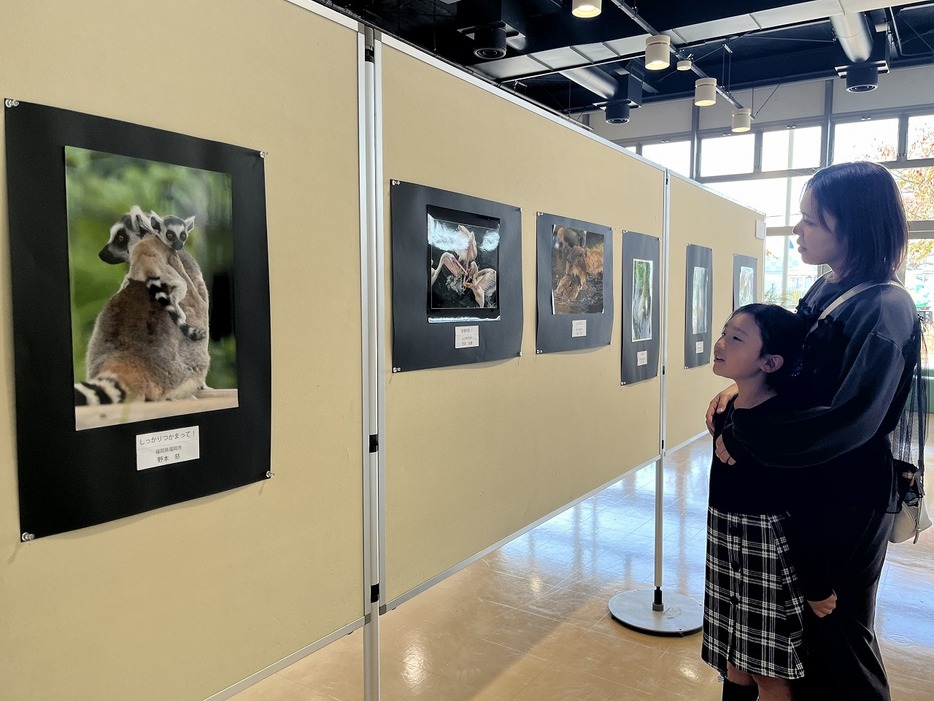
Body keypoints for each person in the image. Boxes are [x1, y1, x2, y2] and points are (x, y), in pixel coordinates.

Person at [706, 161, 922, 701]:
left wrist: (746, 434)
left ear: (852, 226)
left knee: (838, 631)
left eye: (811, 222)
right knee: (786, 634)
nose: (798, 232)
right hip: (806, 483)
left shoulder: (884, 307)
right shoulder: (826, 289)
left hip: (849, 492)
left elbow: (850, 421)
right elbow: (786, 372)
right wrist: (738, 396)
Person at [703, 303, 813, 701]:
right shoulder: (728, 407)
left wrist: (816, 583)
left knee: (770, 675)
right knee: (735, 660)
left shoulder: (781, 421)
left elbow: (802, 507)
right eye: (724, 332)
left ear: (770, 362)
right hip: (725, 539)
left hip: (765, 551)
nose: (720, 343)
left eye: (736, 338)